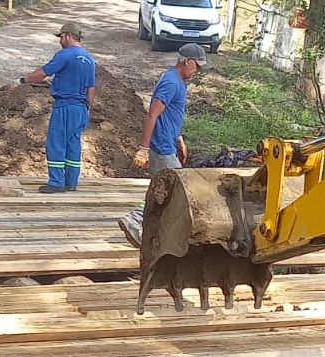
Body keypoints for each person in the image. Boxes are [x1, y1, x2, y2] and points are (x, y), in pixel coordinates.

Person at [117, 43, 210, 247]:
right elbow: (152, 114)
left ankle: (149, 227)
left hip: (169, 142)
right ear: (187, 61)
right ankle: (137, 218)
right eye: (197, 66)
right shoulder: (170, 82)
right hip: (161, 145)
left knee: (167, 189)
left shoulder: (178, 82)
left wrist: (179, 139)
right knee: (174, 188)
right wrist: (144, 149)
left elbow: (171, 115)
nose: (198, 71)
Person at [16, 22, 96, 193]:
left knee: (56, 143)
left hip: (65, 106)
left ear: (67, 36)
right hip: (81, 107)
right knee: (73, 144)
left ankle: (56, 182)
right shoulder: (89, 59)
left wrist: (23, 80)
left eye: (61, 37)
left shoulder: (64, 55)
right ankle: (71, 182)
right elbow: (91, 88)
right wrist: (87, 109)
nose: (59, 41)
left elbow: (43, 73)